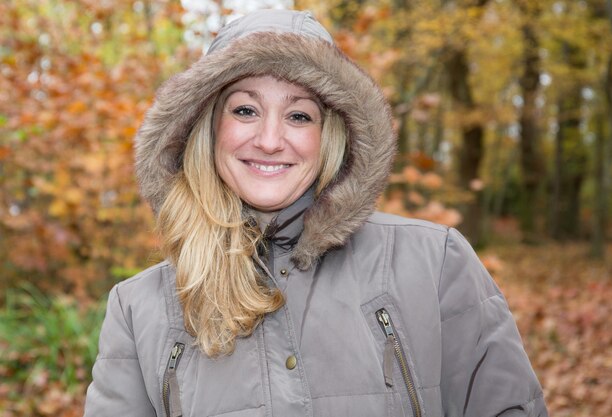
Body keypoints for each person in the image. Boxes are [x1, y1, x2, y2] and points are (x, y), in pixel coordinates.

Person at [84, 9, 548, 417]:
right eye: (245, 110)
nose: (269, 139)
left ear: (331, 136)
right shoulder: (139, 307)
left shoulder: (434, 262)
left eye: (299, 115)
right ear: (208, 128)